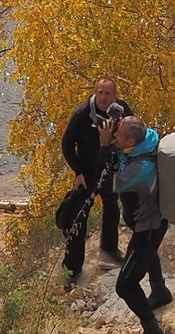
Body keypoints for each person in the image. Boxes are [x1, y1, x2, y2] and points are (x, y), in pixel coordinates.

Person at [59, 76, 131, 285]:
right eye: (100, 92)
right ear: (95, 92)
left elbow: (134, 134)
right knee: (78, 218)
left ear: (114, 95)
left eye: (107, 93)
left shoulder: (121, 110)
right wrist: (78, 172)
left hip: (110, 170)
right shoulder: (82, 115)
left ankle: (109, 247)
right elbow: (66, 144)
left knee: (112, 209)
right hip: (87, 174)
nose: (103, 97)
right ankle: (72, 269)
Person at [108, 113, 175, 331]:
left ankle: (151, 327)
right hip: (147, 223)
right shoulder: (144, 143)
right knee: (148, 254)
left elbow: (108, 183)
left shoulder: (142, 168)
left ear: (130, 141)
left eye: (118, 134)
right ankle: (160, 292)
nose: (114, 136)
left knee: (125, 286)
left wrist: (103, 146)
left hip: (149, 228)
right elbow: (122, 154)